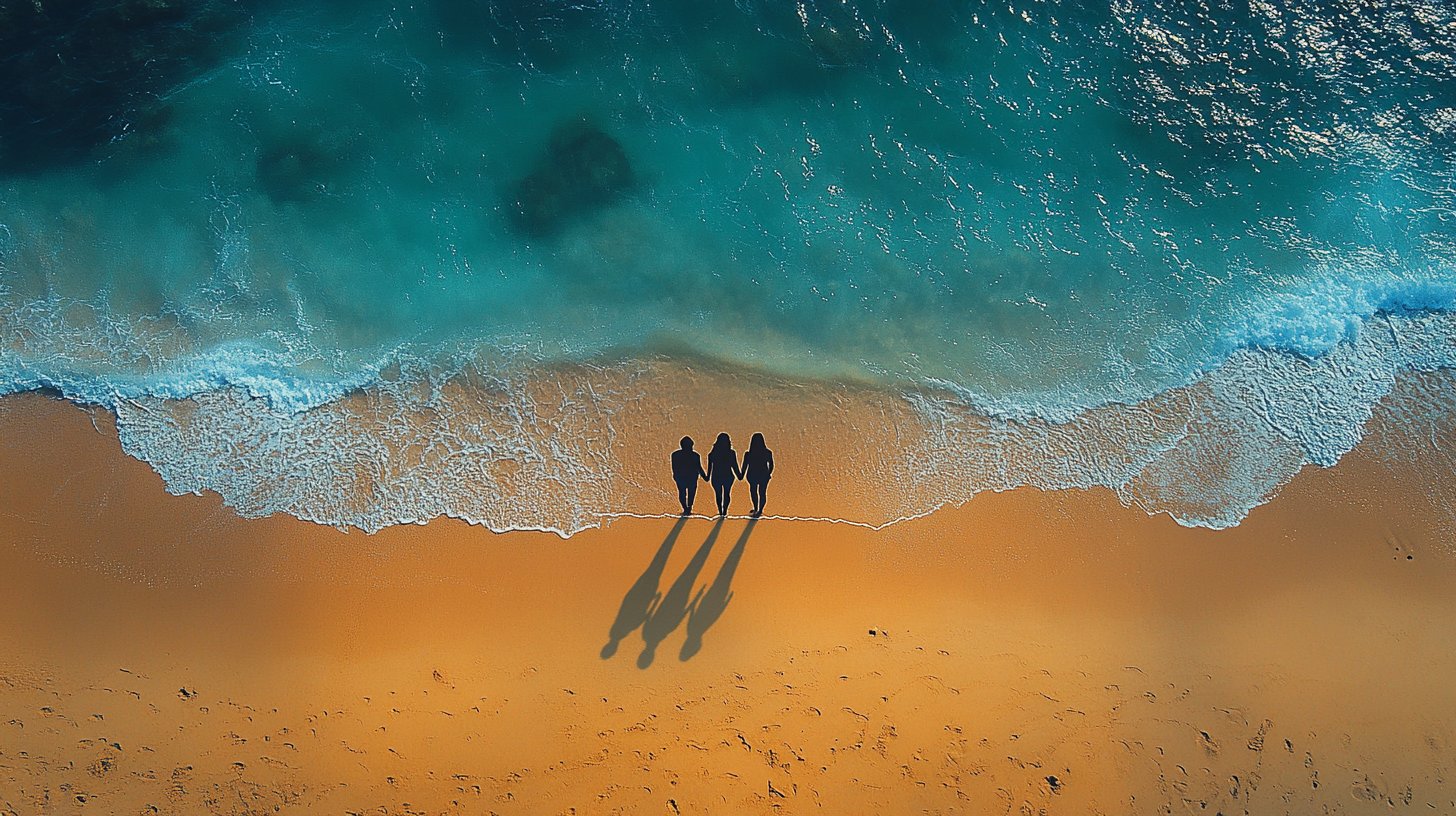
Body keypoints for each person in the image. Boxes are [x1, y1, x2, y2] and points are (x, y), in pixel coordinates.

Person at [705, 432, 742, 516]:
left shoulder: (712, 454)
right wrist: (739, 475)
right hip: (728, 476)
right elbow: (734, 465)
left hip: (716, 476)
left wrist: (707, 477)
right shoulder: (731, 453)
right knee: (727, 493)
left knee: (718, 494)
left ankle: (720, 511)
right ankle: (725, 511)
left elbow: (710, 468)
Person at [670, 436, 708, 514]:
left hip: (686, 477)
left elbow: (699, 467)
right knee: (688, 493)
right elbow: (699, 468)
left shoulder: (675, 455)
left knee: (685, 493)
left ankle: (687, 508)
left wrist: (705, 477)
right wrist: (705, 477)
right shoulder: (694, 455)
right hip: (688, 477)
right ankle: (687, 508)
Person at [742, 432, 774, 515]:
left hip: (752, 474)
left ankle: (756, 508)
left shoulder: (748, 454)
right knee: (762, 492)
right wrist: (769, 473)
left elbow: (745, 466)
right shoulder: (767, 452)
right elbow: (771, 465)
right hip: (764, 474)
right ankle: (760, 510)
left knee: (753, 491)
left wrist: (741, 474)